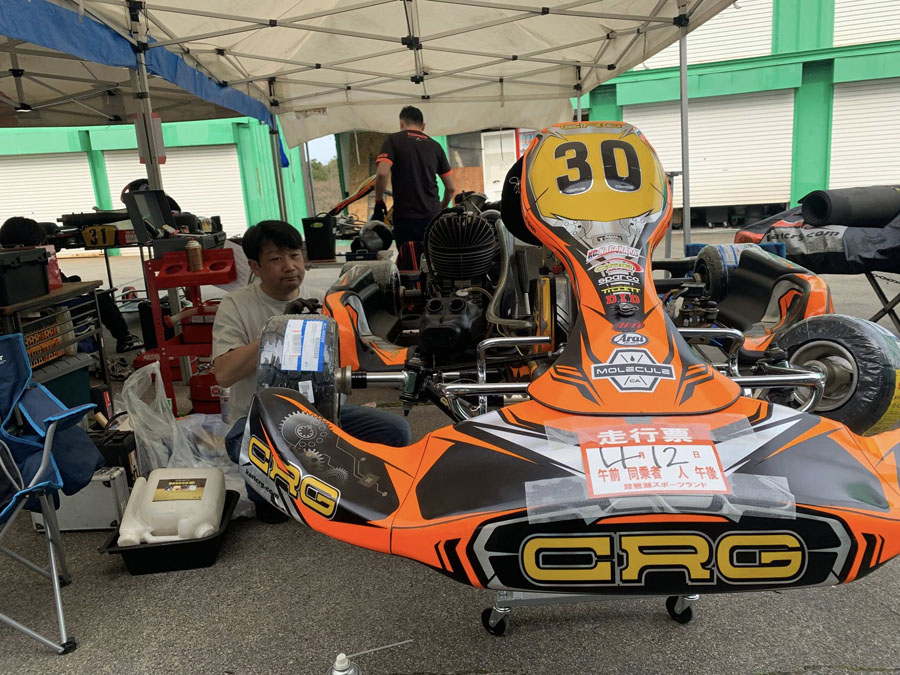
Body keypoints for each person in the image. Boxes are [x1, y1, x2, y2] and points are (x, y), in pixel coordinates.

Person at [212, 220, 411, 522]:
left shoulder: (326, 299)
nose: (289, 266)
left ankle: (329, 480)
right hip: (260, 420)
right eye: (276, 259)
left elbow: (363, 356)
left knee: (395, 432)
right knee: (272, 510)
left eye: (294, 255)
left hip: (323, 415)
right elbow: (224, 374)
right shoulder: (236, 305)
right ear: (255, 266)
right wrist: (278, 329)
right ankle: (311, 482)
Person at [0, 216, 143, 353]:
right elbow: (56, 286)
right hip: (49, 312)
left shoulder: (6, 261)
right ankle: (125, 339)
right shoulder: (32, 261)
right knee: (101, 297)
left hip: (25, 314)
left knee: (76, 281)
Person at [373, 106, 456, 269]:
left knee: (410, 265)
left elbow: (382, 173)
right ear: (423, 126)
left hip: (406, 217)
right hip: (432, 217)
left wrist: (378, 201)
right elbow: (451, 188)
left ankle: (411, 285)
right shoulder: (435, 146)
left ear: (401, 123)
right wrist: (441, 208)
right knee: (432, 264)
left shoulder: (394, 140)